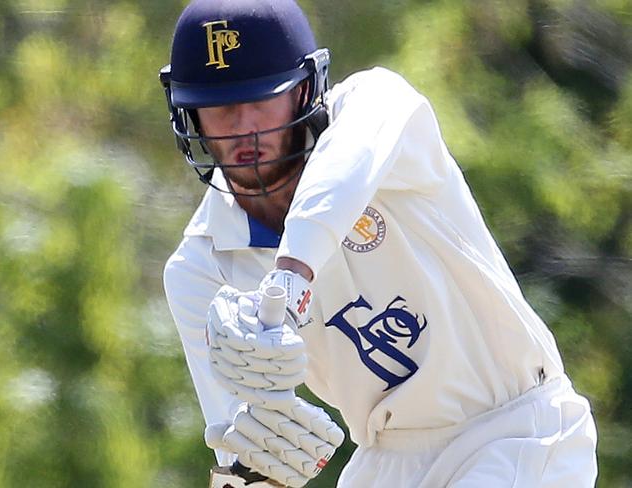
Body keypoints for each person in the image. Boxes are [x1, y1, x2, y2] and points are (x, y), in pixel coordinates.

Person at [159, 1, 598, 487]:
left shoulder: (377, 106)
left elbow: (336, 179)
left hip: (512, 428)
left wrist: (288, 280)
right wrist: (253, 469)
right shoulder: (199, 268)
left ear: (305, 90)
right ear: (191, 116)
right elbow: (246, 445)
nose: (243, 127)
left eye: (262, 99)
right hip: (384, 460)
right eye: (220, 108)